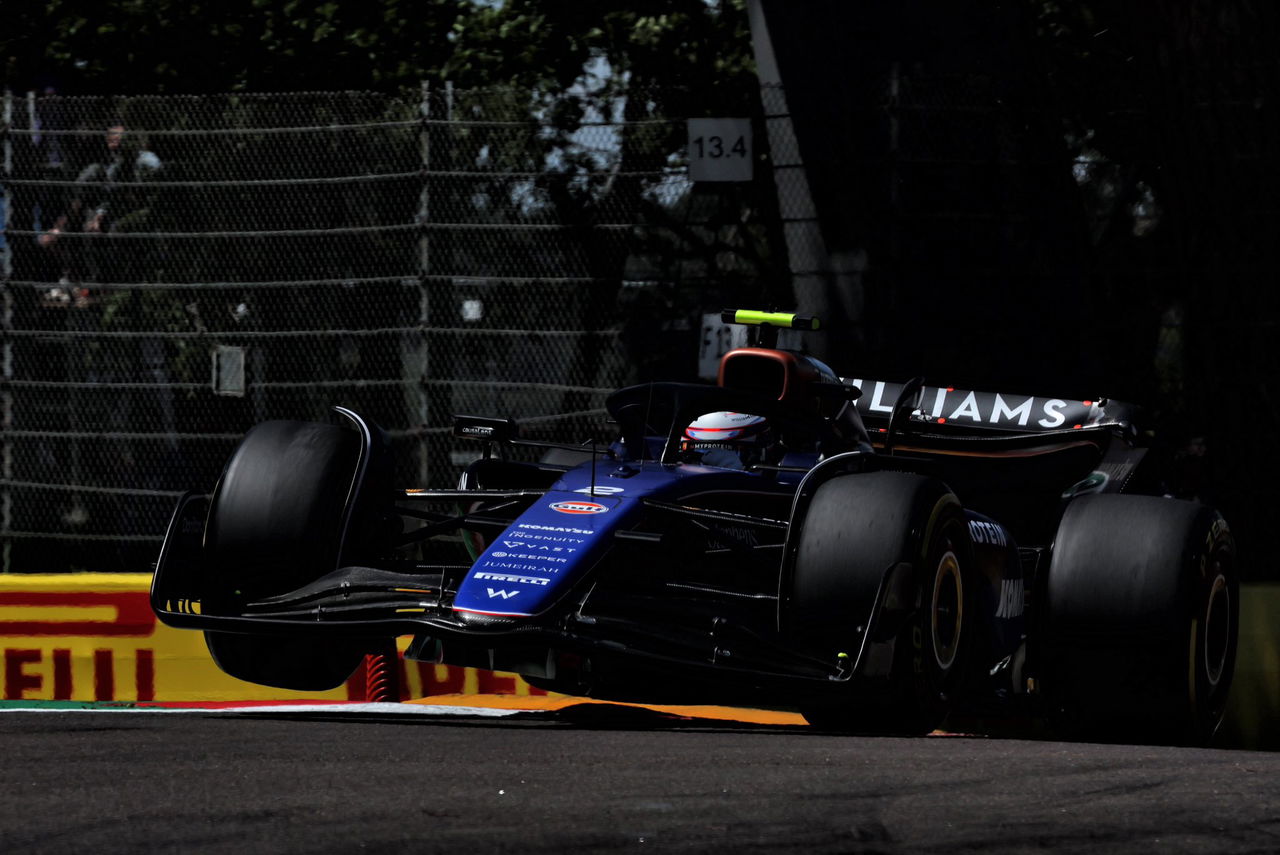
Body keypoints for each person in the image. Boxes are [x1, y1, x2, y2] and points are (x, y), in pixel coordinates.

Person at [37, 120, 161, 304]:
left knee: (112, 228)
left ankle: (104, 286)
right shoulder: (114, 167)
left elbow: (152, 192)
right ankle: (77, 282)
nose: (113, 140)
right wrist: (98, 216)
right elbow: (109, 198)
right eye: (110, 136)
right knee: (88, 223)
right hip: (116, 211)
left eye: (118, 136)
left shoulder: (146, 160)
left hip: (143, 212)